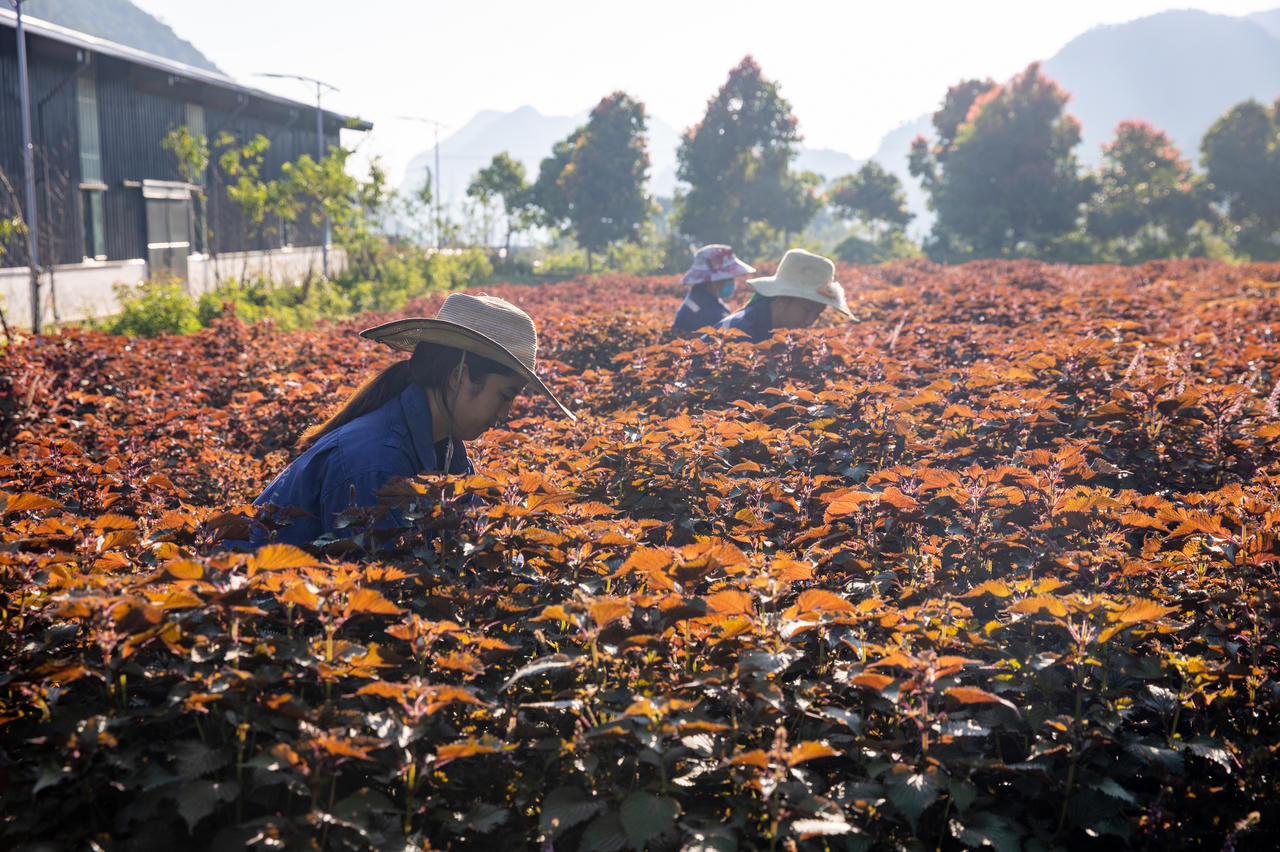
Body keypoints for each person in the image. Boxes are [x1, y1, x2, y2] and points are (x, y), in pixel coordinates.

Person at [251, 293, 574, 547]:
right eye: (505, 395)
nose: (505, 414)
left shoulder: (447, 451)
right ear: (459, 377)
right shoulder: (375, 462)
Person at [715, 248, 852, 343]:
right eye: (807, 310)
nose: (810, 320)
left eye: (818, 313)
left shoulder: (785, 334)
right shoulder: (737, 332)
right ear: (781, 301)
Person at [672, 244, 755, 333]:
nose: (731, 282)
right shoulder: (705, 310)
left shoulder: (699, 294)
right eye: (727, 279)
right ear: (712, 280)